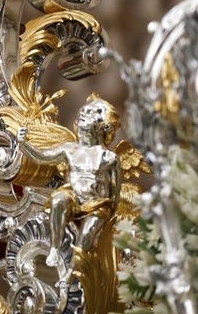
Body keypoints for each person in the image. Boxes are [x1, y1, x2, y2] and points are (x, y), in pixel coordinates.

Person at [15, 94, 122, 266]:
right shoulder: (70, 149)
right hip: (72, 198)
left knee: (86, 237)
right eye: (84, 111)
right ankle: (54, 249)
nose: (84, 112)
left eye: (91, 113)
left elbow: (114, 196)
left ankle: (74, 272)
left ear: (103, 126)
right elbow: (42, 157)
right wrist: (23, 144)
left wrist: (109, 220)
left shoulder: (109, 158)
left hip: (96, 206)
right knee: (58, 199)